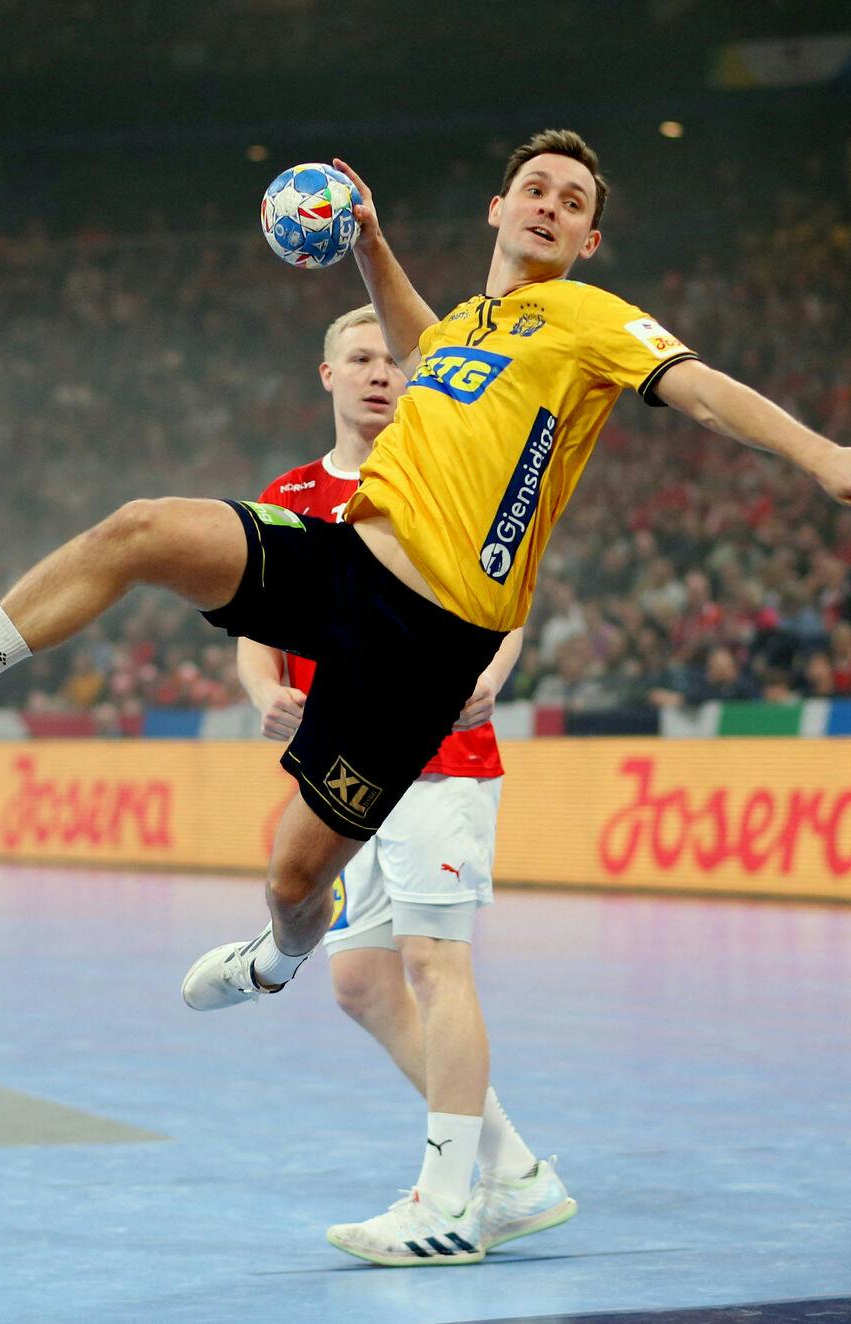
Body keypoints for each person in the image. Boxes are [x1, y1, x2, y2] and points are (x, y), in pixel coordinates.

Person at [0, 129, 851, 1259]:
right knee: (142, 527)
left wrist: (820, 455)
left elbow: (705, 388)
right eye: (532, 187)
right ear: (495, 207)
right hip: (343, 562)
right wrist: (372, 243)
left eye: (570, 200)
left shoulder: (585, 322)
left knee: (307, 883)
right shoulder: (467, 334)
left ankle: (443, 1196)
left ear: (590, 238)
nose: (547, 204)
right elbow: (428, 344)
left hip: (429, 639)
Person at [236, 305, 572, 1262]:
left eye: (394, 359)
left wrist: (495, 676)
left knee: (435, 963)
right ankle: (513, 1172)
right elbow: (260, 630)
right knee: (359, 981)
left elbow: (512, 583)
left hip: (436, 758)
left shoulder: (450, 465)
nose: (381, 373)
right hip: (342, 775)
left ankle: (451, 1198)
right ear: (328, 376)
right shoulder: (291, 492)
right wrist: (264, 689)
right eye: (361, 359)